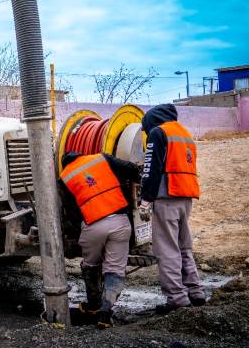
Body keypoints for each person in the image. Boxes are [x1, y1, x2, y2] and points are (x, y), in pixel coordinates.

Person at [60, 150, 141, 328]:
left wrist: (78, 228)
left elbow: (71, 212)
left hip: (93, 225)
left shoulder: (65, 177)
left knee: (91, 265)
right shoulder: (101, 158)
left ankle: (93, 305)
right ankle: (105, 313)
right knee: (115, 269)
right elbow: (132, 168)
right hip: (120, 221)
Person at [139, 103, 206, 314]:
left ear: (151, 121)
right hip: (186, 197)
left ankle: (176, 298)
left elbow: (151, 168)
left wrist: (145, 200)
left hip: (167, 197)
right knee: (183, 246)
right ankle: (195, 292)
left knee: (167, 249)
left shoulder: (159, 132)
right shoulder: (185, 134)